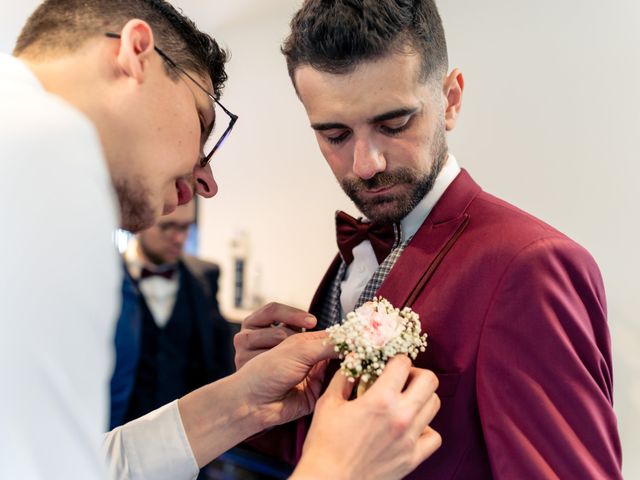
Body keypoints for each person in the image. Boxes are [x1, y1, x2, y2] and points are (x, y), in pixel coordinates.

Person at [0, 1, 442, 479]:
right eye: (203, 122)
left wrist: (241, 403)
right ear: (135, 55)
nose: (207, 182)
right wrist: (336, 470)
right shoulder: (42, 149)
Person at [234, 0, 623, 478]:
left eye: (394, 124)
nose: (366, 165)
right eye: (335, 135)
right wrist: (268, 404)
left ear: (451, 100)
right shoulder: (354, 254)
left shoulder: (531, 266)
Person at [110, 198, 233, 429]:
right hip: (120, 433)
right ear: (140, 223)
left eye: (186, 227)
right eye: (167, 227)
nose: (179, 238)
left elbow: (217, 359)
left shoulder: (206, 276)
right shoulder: (107, 277)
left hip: (189, 437)